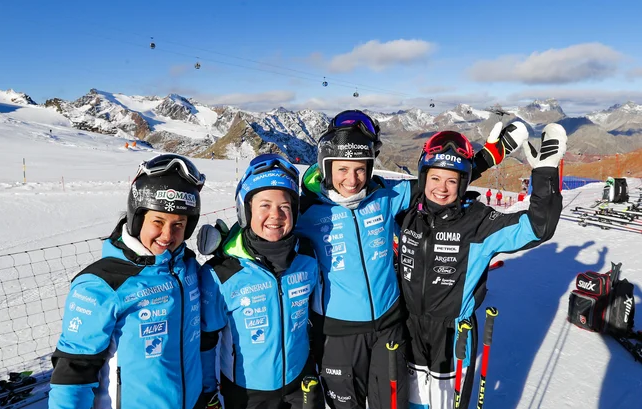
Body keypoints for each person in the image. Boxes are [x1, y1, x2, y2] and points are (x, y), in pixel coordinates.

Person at [294, 111, 530, 409]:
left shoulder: (386, 196)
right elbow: (265, 228)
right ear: (326, 167)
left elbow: (435, 182)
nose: (352, 180)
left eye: (360, 169)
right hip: (337, 333)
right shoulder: (305, 211)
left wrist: (488, 156)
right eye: (342, 169)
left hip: (390, 326)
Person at [397, 124, 566, 409]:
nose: (442, 187)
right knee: (411, 403)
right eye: (435, 177)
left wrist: (546, 175)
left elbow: (538, 228)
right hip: (407, 328)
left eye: (452, 181)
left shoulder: (477, 223)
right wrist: (487, 157)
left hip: (452, 336)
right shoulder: (406, 214)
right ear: (423, 178)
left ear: (463, 185)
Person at [49, 154, 210, 409]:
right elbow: (73, 373)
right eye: (157, 221)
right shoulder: (102, 284)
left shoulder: (186, 268)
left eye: (178, 224)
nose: (167, 235)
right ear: (137, 218)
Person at [198, 154, 324, 409]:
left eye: (285, 207)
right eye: (264, 205)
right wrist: (208, 393)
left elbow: (314, 319)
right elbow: (206, 342)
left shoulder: (307, 257)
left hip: (300, 383)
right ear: (245, 210)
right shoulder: (222, 272)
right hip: (246, 394)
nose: (275, 215)